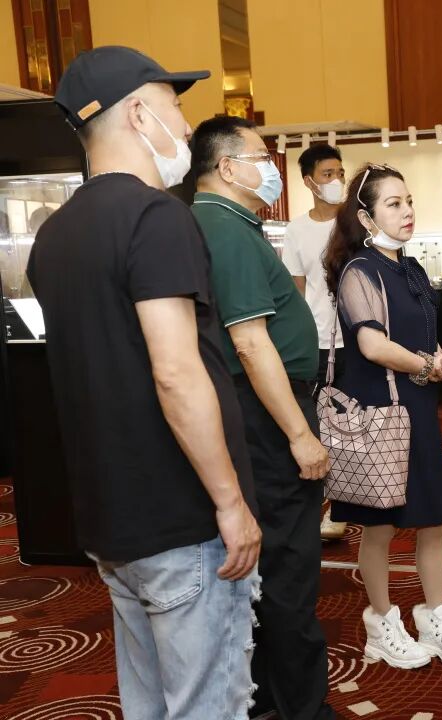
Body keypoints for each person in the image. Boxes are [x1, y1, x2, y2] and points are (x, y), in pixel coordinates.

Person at [26, 46, 261, 719]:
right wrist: (229, 503)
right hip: (180, 515)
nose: (185, 127)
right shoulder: (155, 216)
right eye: (174, 107)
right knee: (207, 705)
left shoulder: (55, 234)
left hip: (112, 517)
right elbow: (176, 372)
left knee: (151, 702)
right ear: (137, 114)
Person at [189, 116, 333, 720]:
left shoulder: (228, 224)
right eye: (260, 157)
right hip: (268, 414)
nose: (271, 168)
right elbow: (250, 344)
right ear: (227, 167)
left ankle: (268, 696)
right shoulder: (224, 228)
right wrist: (299, 433)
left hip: (259, 407)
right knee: (288, 564)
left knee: (273, 561)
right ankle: (302, 707)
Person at [323, 163, 442, 669]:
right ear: (366, 217)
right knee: (381, 525)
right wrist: (426, 365)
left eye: (408, 200)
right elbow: (371, 345)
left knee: (434, 517)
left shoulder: (410, 267)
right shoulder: (359, 271)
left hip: (417, 406)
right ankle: (381, 623)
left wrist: (439, 363)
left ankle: (435, 619)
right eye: (394, 203)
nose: (407, 210)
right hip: (378, 412)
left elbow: (415, 343)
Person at [282, 142, 349, 542]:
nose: (336, 180)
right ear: (309, 182)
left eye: (340, 173)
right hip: (319, 342)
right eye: (327, 174)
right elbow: (296, 291)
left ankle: (346, 503)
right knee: (322, 424)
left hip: (358, 339)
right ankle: (326, 503)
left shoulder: (356, 222)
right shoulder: (297, 230)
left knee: (357, 424)